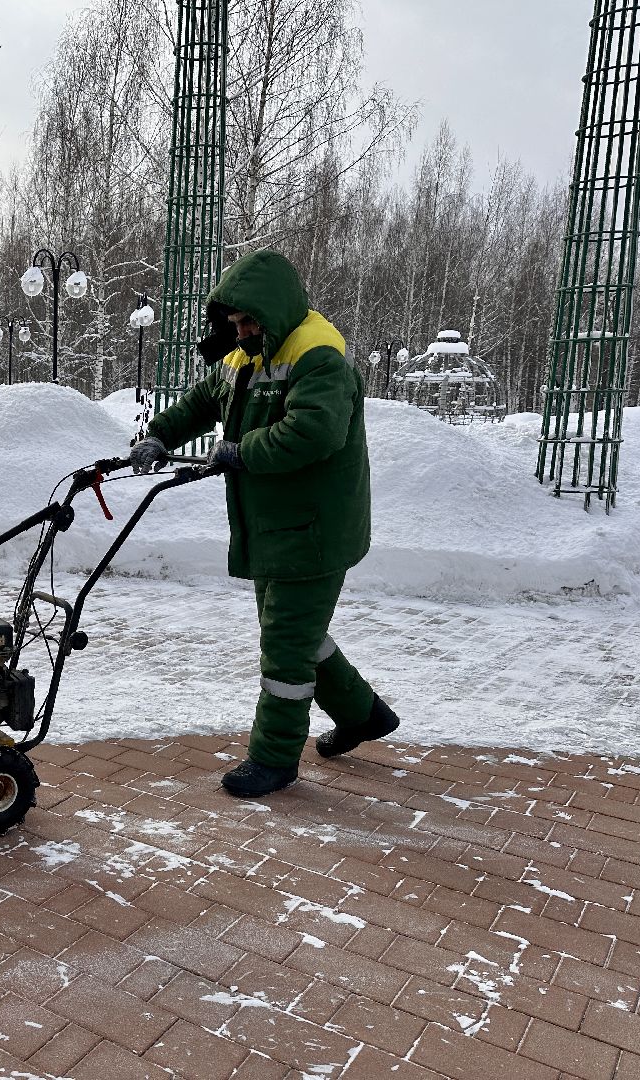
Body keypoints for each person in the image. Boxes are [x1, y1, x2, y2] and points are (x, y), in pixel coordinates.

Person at [129, 249, 399, 798]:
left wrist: (241, 452)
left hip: (314, 529)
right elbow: (204, 400)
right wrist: (159, 435)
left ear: (273, 312)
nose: (243, 331)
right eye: (235, 324)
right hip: (273, 528)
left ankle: (274, 759)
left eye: (250, 321)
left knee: (284, 649)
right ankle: (364, 714)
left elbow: (314, 433)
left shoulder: (319, 359)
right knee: (295, 637)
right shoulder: (246, 358)